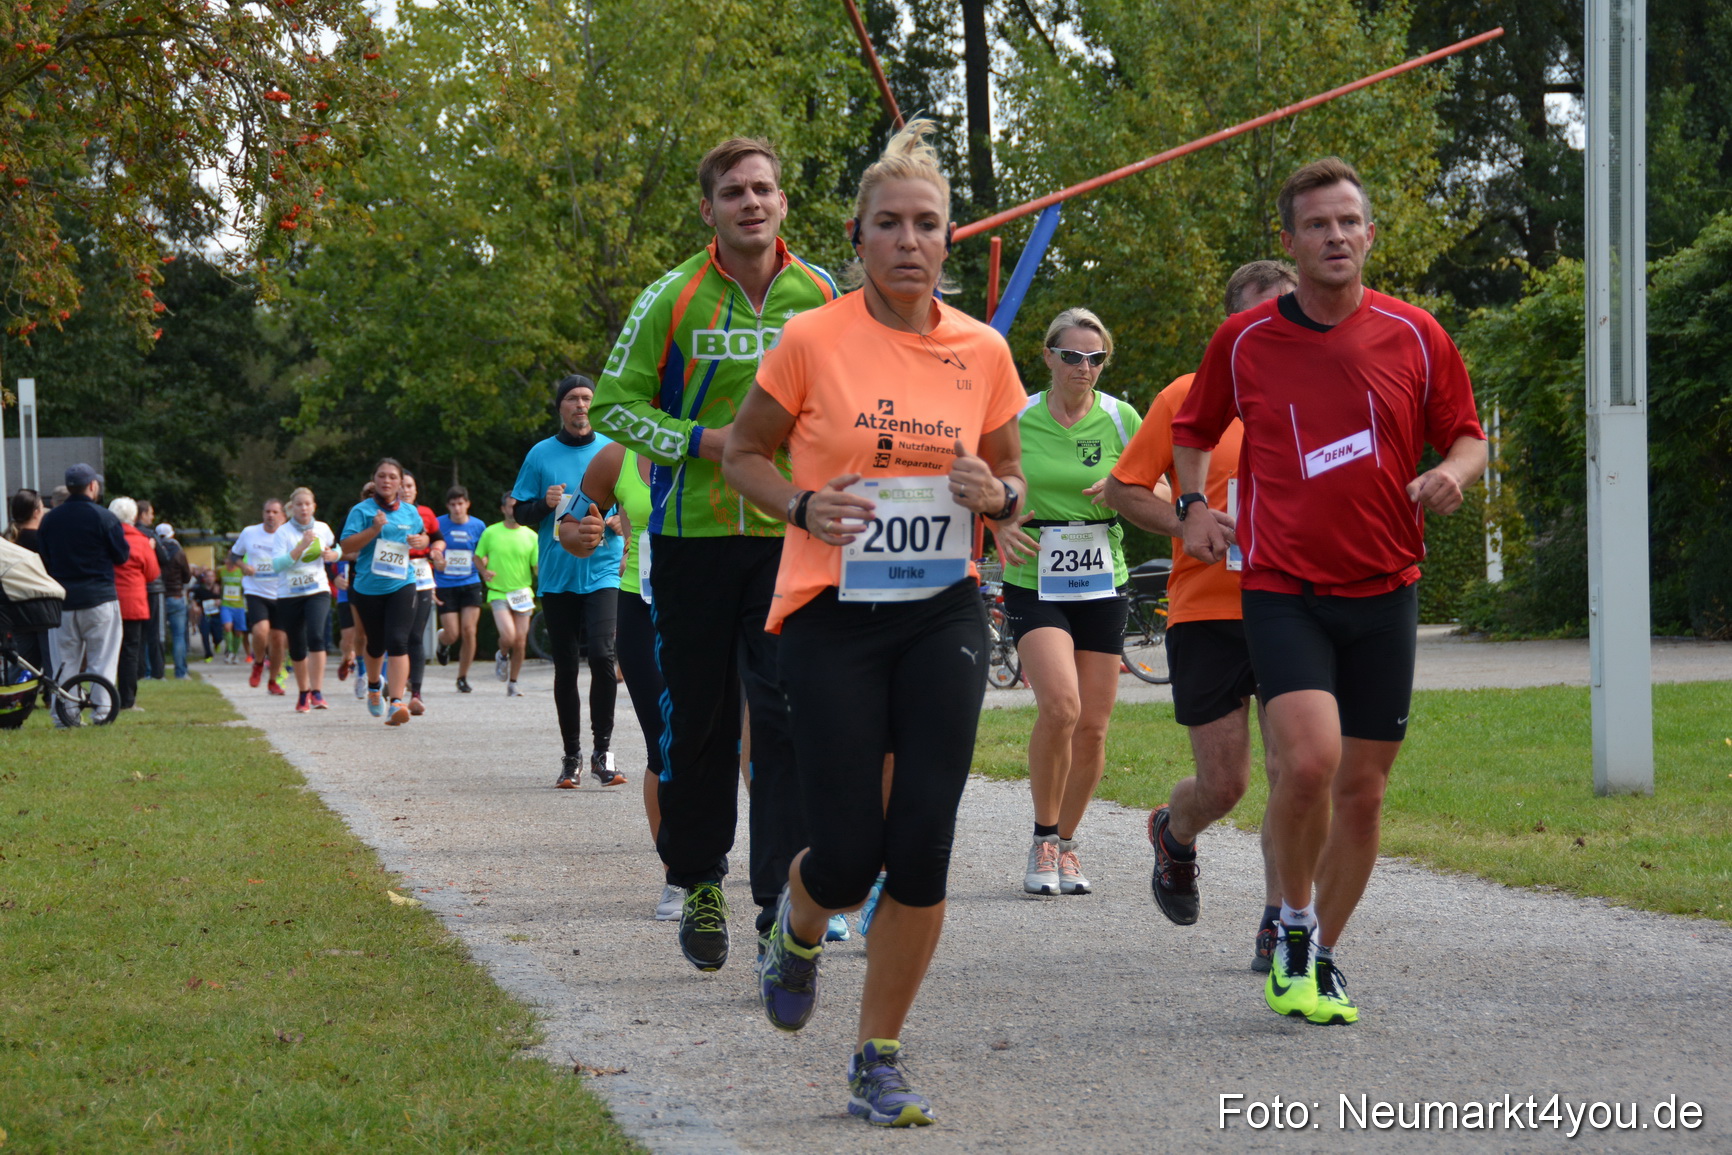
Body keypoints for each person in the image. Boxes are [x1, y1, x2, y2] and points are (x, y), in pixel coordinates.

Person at [719, 118, 1026, 1126]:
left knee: (924, 842)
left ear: (948, 240)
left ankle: (877, 1055)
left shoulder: (982, 349)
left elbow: (1011, 480)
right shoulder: (812, 338)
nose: (907, 241)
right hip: (832, 613)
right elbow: (745, 455)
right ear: (857, 237)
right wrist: (803, 506)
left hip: (942, 611)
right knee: (847, 856)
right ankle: (800, 925)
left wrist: (996, 497)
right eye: (888, 223)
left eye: (926, 224)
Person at [1172, 158, 1487, 1026]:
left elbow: (1465, 435)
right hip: (1284, 587)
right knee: (1309, 761)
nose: (1336, 236)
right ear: (1290, 240)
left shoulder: (1416, 333)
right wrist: (1192, 507)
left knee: (1364, 791)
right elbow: (1192, 429)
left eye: (1349, 221)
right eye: (1317, 224)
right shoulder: (1245, 341)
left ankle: (1320, 954)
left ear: (1370, 234)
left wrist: (1455, 474)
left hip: (1386, 588)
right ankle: (1292, 921)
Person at [590, 135, 837, 969]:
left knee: (785, 717)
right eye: (733, 192)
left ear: (783, 202)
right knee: (699, 720)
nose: (750, 203)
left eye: (763, 189)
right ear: (708, 209)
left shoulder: (822, 296)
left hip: (787, 536)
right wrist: (703, 440)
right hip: (691, 537)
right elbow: (614, 406)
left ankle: (778, 900)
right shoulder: (673, 296)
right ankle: (697, 877)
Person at [1104, 258, 1298, 968]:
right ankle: (1174, 832)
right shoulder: (1187, 397)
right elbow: (1124, 489)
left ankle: (1281, 921)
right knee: (1225, 784)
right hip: (1207, 609)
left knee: (1297, 771)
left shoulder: (1318, 393)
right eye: (1259, 315)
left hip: (1295, 606)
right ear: (1230, 328)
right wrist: (1186, 521)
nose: (1276, 326)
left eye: (1288, 310)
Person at [990, 307, 1141, 897]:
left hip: (1103, 578)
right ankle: (1043, 837)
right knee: (1060, 707)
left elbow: (1162, 486)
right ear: (1049, 356)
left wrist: (1124, 490)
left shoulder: (1122, 418)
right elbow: (981, 479)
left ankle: (1068, 843)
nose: (1084, 367)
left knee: (1094, 729)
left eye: (1095, 358)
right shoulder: (1016, 416)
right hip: (1035, 575)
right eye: (1073, 356)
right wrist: (996, 522)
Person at [563, 444, 673, 915]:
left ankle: (784, 875)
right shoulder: (616, 457)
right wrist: (583, 534)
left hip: (718, 608)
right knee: (665, 745)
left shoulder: (725, 435)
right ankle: (680, 875)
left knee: (737, 743)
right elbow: (569, 526)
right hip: (642, 609)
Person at [510, 376, 626, 789]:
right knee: (565, 665)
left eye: (587, 398)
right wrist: (545, 504)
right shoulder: (540, 454)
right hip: (558, 574)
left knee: (603, 655)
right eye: (573, 398)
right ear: (560, 406)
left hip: (604, 569)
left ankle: (603, 753)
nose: (581, 405)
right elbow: (519, 511)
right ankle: (572, 756)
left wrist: (621, 518)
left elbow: (634, 498)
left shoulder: (612, 449)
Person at [340, 459, 427, 726]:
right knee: (375, 644)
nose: (386, 481)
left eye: (392, 477)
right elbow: (346, 546)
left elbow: (424, 535)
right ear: (374, 479)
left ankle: (397, 702)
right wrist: (374, 529)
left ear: (400, 482)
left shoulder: (410, 511)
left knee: (398, 641)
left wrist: (421, 541)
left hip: (402, 583)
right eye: (381, 476)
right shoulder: (361, 511)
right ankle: (374, 686)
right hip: (368, 587)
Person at [36, 465, 127, 710]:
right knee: (102, 660)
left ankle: (65, 713)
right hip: (99, 597)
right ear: (92, 486)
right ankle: (102, 710)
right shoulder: (104, 517)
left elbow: (43, 558)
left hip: (62, 601)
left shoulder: (50, 519)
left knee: (64, 663)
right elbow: (121, 556)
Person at [271, 487, 339, 711]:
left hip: (317, 590)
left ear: (314, 507)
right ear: (292, 508)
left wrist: (333, 555)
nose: (303, 508)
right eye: (299, 504)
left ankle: (317, 692)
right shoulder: (283, 532)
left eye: (307, 504)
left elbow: (337, 549)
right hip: (289, 594)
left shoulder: (323, 528)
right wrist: (302, 545)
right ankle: (303, 693)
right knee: (297, 644)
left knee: (316, 636)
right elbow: (277, 565)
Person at [476, 491, 537, 697]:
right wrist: (484, 572)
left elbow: (536, 566)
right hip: (498, 593)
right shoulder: (491, 532)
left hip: (523, 593)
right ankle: (502, 654)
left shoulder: (531, 536)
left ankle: (513, 682)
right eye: (510, 506)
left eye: (517, 507)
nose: (513, 510)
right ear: (503, 509)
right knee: (509, 636)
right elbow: (477, 557)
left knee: (520, 641)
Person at [398, 472, 446, 715]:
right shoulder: (386, 515)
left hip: (421, 577)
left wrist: (436, 550)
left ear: (416, 490)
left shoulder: (426, 513)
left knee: (416, 635)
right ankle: (395, 682)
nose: (406, 490)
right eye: (402, 486)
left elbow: (439, 539)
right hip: (394, 577)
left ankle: (416, 693)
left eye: (410, 486)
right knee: (398, 635)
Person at [231, 499, 289, 694]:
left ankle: (273, 680)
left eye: (275, 512)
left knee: (278, 640)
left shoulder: (289, 535)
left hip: (281, 592)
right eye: (267, 511)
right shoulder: (250, 533)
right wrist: (243, 566)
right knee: (261, 631)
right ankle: (258, 663)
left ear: (283, 516)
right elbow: (234, 555)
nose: (270, 515)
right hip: (256, 590)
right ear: (263, 514)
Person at [109, 496, 161, 710]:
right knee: (130, 652)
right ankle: (128, 700)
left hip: (108, 600)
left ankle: (104, 697)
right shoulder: (141, 541)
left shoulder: (105, 538)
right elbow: (153, 573)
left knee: (106, 651)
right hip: (133, 603)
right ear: (133, 516)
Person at [434, 485, 487, 693]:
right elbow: (430, 550)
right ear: (448, 506)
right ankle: (443, 641)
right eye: (453, 504)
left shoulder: (478, 526)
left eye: (460, 504)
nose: (457, 508)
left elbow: (484, 552)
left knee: (469, 630)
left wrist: (483, 563)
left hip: (470, 582)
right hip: (445, 583)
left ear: (467, 504)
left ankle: (462, 677)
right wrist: (437, 560)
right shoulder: (438, 524)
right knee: (452, 633)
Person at [6, 490, 48, 673]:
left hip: (15, 608)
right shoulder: (43, 541)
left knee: (23, 662)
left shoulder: (9, 540)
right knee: (51, 662)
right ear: (36, 512)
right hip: (44, 608)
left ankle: (15, 689)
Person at [154, 522, 193, 679]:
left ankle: (156, 671)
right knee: (178, 636)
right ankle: (181, 672)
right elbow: (187, 576)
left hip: (158, 596)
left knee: (156, 636)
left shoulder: (154, 550)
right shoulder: (179, 552)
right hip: (176, 596)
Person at [135, 499, 166, 681]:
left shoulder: (129, 532)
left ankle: (139, 671)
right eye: (151, 513)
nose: (152, 517)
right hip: (154, 586)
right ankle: (158, 671)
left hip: (136, 587)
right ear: (143, 514)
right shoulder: (150, 535)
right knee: (156, 631)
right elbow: (164, 557)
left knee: (137, 633)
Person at [218, 554, 249, 664]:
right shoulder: (221, 570)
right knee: (227, 627)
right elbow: (216, 581)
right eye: (228, 557)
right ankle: (229, 651)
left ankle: (235, 654)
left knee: (238, 632)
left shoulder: (241, 571)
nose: (230, 560)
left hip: (239, 605)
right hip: (226, 604)